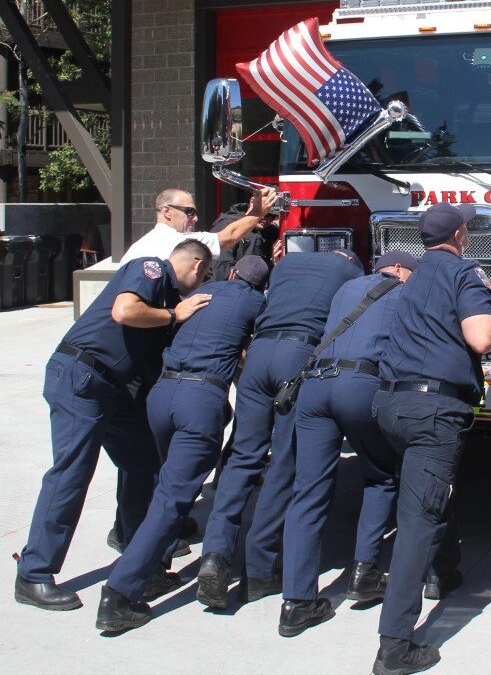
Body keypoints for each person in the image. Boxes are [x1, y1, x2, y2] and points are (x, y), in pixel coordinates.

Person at [13, 240, 213, 612]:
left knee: (145, 464)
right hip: (81, 376)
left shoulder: (166, 296)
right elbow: (124, 310)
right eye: (205, 275)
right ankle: (34, 573)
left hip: (110, 387)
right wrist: (174, 315)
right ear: (197, 265)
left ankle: (141, 561)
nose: (200, 286)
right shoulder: (151, 269)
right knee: (71, 473)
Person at [95, 256, 269, 632]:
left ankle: (155, 569)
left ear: (233, 273)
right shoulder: (255, 302)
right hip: (201, 399)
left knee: (164, 486)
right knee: (173, 499)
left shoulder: (199, 292)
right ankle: (119, 594)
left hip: (162, 395)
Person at [372, 202, 491, 675]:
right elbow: (482, 337)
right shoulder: (464, 272)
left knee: (429, 491)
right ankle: (395, 647)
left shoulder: (409, 275)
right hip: (433, 411)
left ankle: (445, 571)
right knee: (418, 520)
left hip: (390, 405)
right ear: (461, 235)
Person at [196, 248, 364, 609]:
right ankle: (260, 565)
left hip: (259, 354)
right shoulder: (348, 271)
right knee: (284, 462)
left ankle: (215, 553)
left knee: (243, 455)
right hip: (298, 356)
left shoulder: (286, 264)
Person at [278, 250, 419, 638]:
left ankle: (296, 603)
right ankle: (364, 573)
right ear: (402, 271)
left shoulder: (345, 288)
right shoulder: (405, 291)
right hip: (361, 385)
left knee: (307, 491)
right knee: (380, 475)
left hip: (315, 386)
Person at [120, 186, 278, 263]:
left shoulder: (151, 241)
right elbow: (230, 236)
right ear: (166, 211)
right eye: (189, 211)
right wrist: (258, 212)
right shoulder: (173, 241)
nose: (195, 219)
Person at [209, 200, 281, 282]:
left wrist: (273, 263)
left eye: (272, 216)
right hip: (229, 287)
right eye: (265, 214)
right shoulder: (229, 226)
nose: (267, 219)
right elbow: (221, 271)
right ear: (252, 202)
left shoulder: (270, 232)